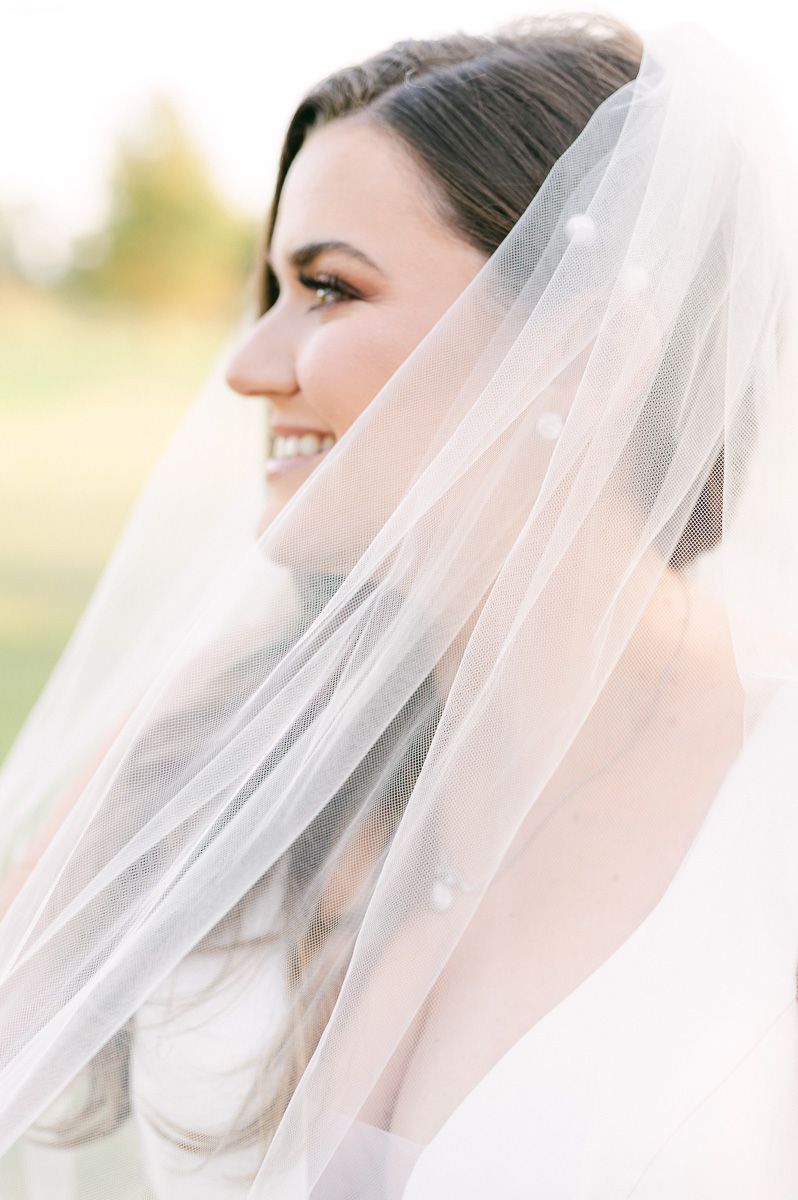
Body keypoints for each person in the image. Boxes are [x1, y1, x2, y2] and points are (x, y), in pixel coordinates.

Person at [2, 10, 798, 1198]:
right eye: (269, 290)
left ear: (585, 353)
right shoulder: (209, 747)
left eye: (326, 289)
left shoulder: (767, 817)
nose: (247, 364)